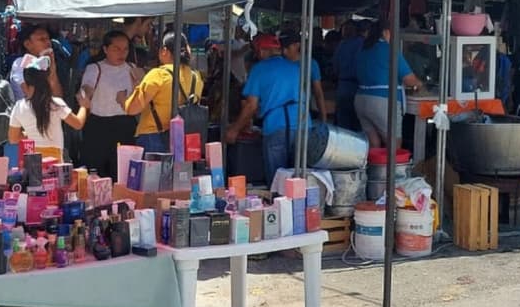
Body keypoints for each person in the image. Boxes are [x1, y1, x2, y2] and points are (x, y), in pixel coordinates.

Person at [225, 31, 325, 185]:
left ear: (262, 51)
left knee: (278, 181)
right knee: (300, 180)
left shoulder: (259, 69)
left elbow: (251, 105)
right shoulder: (295, 68)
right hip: (304, 125)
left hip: (277, 127)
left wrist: (234, 130)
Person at [123, 32, 204, 154]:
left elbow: (132, 109)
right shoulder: (196, 77)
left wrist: (123, 98)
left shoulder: (158, 75)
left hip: (154, 136)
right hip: (184, 138)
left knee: (153, 173)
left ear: (164, 51)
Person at [78, 30, 141, 178]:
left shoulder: (132, 69)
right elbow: (86, 87)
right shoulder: (95, 68)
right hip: (99, 126)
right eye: (116, 49)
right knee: (95, 172)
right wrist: (84, 95)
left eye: (125, 49)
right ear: (105, 49)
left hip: (125, 125)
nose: (121, 53)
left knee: (122, 172)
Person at [8, 55, 90, 161]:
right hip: (54, 159)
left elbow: (13, 139)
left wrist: (28, 133)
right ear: (47, 82)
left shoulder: (19, 106)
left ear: (26, 84)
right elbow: (78, 124)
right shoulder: (56, 104)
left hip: (32, 159)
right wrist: (84, 106)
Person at [354, 22, 421, 149]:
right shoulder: (389, 50)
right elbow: (409, 80)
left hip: (361, 99)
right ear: (385, 32)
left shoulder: (363, 49)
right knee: (393, 146)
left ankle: (373, 169)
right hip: (383, 102)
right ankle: (391, 169)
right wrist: (420, 84)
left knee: (373, 144)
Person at [10, 23, 64, 102]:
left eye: (48, 38)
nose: (48, 42)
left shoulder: (46, 63)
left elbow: (58, 98)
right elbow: (30, 95)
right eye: (42, 39)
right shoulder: (20, 63)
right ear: (27, 44)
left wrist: (52, 71)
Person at [333, 21, 364, 131]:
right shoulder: (362, 43)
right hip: (355, 87)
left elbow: (335, 68)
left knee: (343, 126)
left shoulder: (342, 45)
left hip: (345, 86)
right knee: (357, 125)